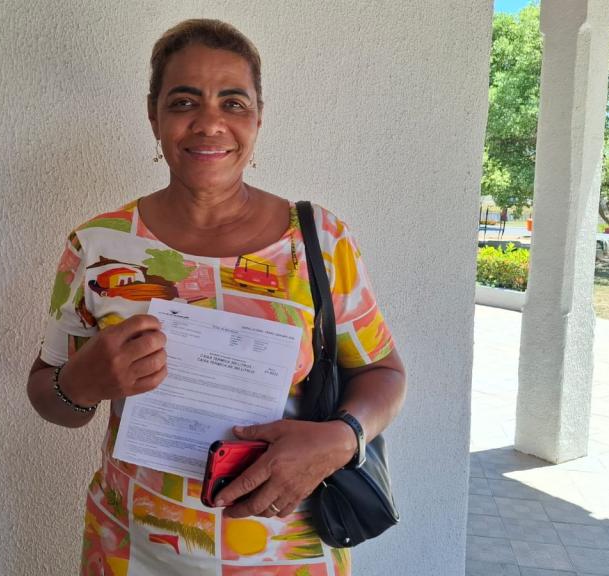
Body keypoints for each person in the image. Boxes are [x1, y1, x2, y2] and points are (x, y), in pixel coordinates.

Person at [27, 19, 406, 575]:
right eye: (184, 102)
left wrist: (343, 439)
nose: (209, 124)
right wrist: (83, 382)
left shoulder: (319, 241)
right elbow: (47, 394)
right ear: (153, 115)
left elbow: (383, 372)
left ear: (257, 118)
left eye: (233, 103)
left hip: (287, 555)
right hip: (130, 549)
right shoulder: (99, 245)